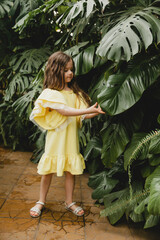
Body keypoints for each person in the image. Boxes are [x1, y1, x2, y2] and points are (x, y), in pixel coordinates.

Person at [29, 51, 105, 218]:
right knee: (47, 171)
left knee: (71, 171)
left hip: (70, 140)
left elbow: (81, 114)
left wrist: (95, 111)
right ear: (55, 71)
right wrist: (87, 109)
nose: (70, 73)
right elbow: (64, 111)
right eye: (65, 70)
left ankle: (69, 201)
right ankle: (41, 201)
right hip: (56, 140)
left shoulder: (74, 93)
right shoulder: (51, 93)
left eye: (71, 69)